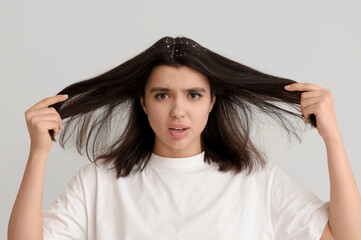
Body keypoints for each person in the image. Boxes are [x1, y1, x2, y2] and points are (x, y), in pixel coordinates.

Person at [8, 36, 360, 239]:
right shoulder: (99, 182)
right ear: (143, 103)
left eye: (193, 95)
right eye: (162, 95)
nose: (178, 111)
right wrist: (38, 154)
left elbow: (346, 236)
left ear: (211, 103)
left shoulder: (256, 182)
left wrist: (333, 137)